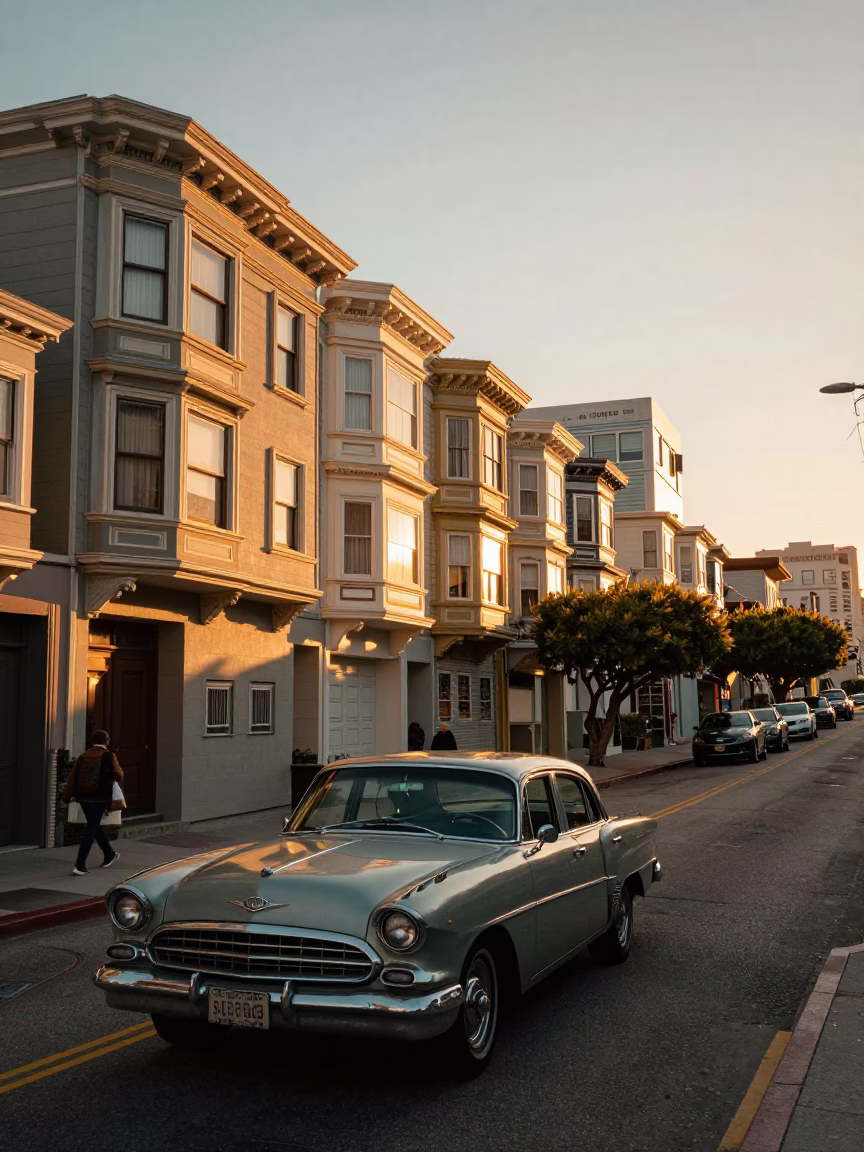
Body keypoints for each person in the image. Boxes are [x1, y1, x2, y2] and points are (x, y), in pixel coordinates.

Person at [63, 730, 123, 876]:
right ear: (106, 741)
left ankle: (109, 854)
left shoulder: (83, 756)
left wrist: (67, 796)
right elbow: (119, 776)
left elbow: (73, 777)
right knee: (91, 828)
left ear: (92, 740)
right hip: (100, 797)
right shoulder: (109, 756)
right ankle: (80, 864)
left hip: (83, 796)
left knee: (93, 826)